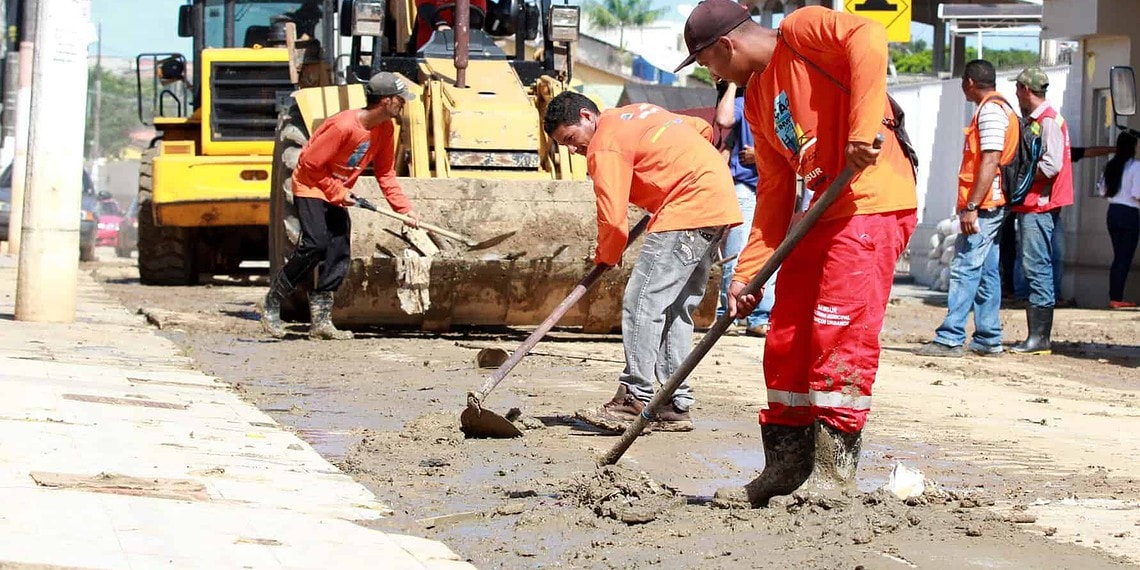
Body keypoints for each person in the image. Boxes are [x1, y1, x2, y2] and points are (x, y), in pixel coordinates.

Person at [674, 1, 917, 506]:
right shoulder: (758, 100)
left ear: (726, 45)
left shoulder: (801, 31)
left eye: (707, 62)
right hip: (821, 212)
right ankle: (786, 466)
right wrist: (747, 276)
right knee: (786, 334)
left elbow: (869, 36)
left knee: (838, 330)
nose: (711, 74)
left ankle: (834, 474)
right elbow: (774, 193)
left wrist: (860, 131)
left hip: (870, 203)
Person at [543, 91, 742, 433]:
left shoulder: (604, 143)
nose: (574, 150)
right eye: (566, 146)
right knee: (674, 308)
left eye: (572, 139)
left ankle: (634, 396)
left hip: (686, 209)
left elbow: (612, 218)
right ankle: (673, 403)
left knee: (642, 301)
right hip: (716, 204)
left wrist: (607, 254)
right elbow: (702, 130)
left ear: (587, 117)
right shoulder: (637, 114)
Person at [261, 72, 420, 341]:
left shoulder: (385, 129)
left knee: (338, 251)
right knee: (316, 244)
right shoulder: (343, 126)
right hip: (311, 185)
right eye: (400, 99)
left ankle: (321, 322)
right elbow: (309, 165)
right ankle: (272, 301)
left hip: (335, 191)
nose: (403, 103)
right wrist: (337, 190)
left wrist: (404, 210)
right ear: (385, 101)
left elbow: (385, 174)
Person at [917, 60, 1018, 358]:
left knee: (964, 267)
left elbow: (990, 160)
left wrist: (972, 206)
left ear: (969, 82)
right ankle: (988, 337)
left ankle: (950, 337)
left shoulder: (990, 112)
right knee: (986, 271)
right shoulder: (999, 109)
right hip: (992, 202)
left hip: (985, 205)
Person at [1010, 67, 1073, 355]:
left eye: (1018, 88)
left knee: (1036, 266)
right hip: (1037, 203)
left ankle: (1039, 338)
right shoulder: (1042, 119)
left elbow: (1051, 165)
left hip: (1039, 204)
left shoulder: (1046, 121)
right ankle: (1038, 337)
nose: (1016, 94)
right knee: (1037, 265)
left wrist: (1020, 175)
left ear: (1025, 89)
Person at [715, 81, 775, 337]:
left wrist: (759, 155)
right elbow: (724, 119)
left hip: (773, 187)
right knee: (737, 251)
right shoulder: (744, 104)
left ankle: (760, 317)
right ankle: (727, 314)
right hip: (745, 187)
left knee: (771, 255)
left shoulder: (780, 107)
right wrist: (732, 84)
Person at [1099, 132, 1140, 308]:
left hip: (1113, 212)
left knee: (1118, 256)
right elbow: (1137, 193)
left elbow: (1102, 191)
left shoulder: (1111, 166)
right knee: (1124, 257)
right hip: (1129, 213)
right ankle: (1116, 297)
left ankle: (1115, 296)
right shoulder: (1136, 167)